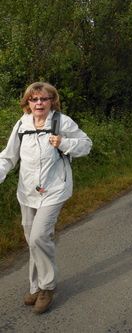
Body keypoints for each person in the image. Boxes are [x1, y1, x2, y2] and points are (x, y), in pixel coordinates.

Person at [0, 82, 92, 314]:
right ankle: (35, 286)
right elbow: (8, 157)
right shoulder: (22, 124)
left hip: (55, 190)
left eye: (43, 99)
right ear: (27, 102)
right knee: (32, 239)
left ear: (52, 100)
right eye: (34, 99)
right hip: (27, 192)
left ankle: (47, 286)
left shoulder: (62, 122)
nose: (39, 103)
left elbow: (86, 145)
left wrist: (64, 143)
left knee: (40, 236)